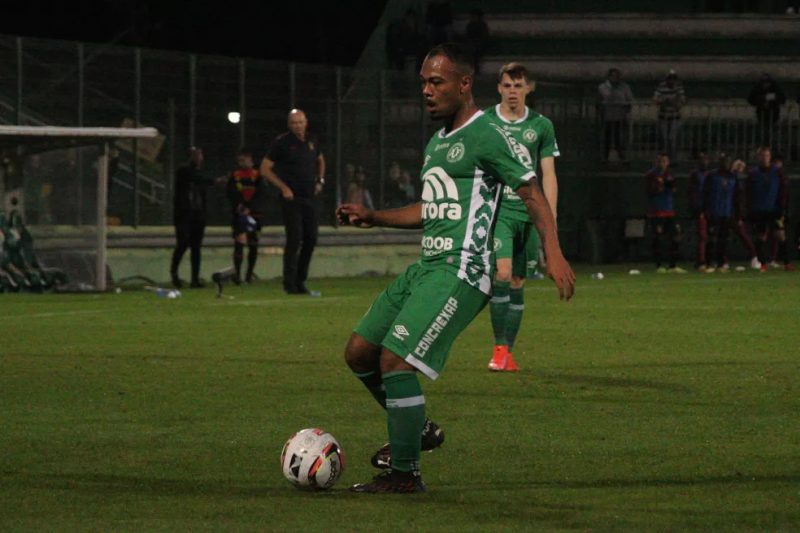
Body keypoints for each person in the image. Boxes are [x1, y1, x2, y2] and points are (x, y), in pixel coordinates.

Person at [336, 43, 575, 494]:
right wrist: (375, 216)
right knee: (359, 352)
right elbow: (430, 208)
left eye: (436, 82)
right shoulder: (438, 140)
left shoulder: (487, 134)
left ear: (464, 84)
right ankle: (418, 427)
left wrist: (553, 251)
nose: (426, 90)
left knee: (396, 360)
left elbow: (531, 193)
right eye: (423, 82)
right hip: (428, 265)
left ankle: (405, 474)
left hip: (464, 269)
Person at [483, 62, 560, 372]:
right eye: (507, 85)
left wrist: (549, 220)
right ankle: (499, 348)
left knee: (517, 280)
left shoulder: (541, 126)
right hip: (499, 211)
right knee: (501, 273)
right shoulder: (486, 122)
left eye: (518, 86)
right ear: (499, 88)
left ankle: (506, 353)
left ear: (529, 88)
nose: (512, 91)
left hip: (529, 213)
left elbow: (549, 174)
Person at [260, 109, 326, 295]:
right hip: (292, 199)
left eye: (300, 122)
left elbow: (321, 160)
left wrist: (319, 180)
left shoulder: (312, 140)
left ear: (306, 122)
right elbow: (265, 169)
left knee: (311, 239)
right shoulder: (282, 143)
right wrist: (283, 188)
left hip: (309, 197)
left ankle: (301, 280)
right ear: (289, 124)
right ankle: (289, 284)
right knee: (294, 239)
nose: (298, 125)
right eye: (294, 123)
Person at [170, 147, 214, 288]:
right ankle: (174, 274)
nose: (199, 158)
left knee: (196, 247)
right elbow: (196, 177)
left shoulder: (198, 174)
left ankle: (194, 279)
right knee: (182, 244)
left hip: (197, 214)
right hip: (184, 215)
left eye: (199, 155)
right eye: (196, 155)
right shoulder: (184, 171)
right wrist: (214, 181)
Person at [746, 146, 793, 271]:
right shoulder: (753, 173)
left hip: (774, 210)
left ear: (770, 157)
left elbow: (783, 190)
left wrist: (782, 207)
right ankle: (763, 264)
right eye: (762, 156)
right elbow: (748, 192)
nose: (764, 158)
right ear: (758, 157)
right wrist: (749, 209)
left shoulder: (777, 172)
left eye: (766, 155)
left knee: (780, 235)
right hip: (759, 210)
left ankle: (787, 263)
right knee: (760, 237)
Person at [226, 149, 267, 284]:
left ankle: (249, 274)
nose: (241, 163)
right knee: (239, 243)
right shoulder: (235, 175)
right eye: (239, 160)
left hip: (255, 214)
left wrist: (250, 207)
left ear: (251, 160)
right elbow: (230, 192)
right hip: (239, 214)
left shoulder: (257, 175)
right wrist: (239, 205)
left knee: (253, 244)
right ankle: (237, 274)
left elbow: (261, 193)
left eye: (244, 160)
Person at [703, 154, 745, 273]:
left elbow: (737, 197)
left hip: (727, 213)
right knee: (711, 239)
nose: (726, 164)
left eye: (728, 162)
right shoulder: (712, 176)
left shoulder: (733, 177)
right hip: (713, 212)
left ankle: (721, 263)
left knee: (723, 240)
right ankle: (708, 263)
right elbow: (705, 194)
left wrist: (738, 214)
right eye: (724, 161)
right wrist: (705, 210)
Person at [646, 153, 686, 273]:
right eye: (659, 161)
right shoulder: (651, 175)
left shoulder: (670, 174)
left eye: (664, 161)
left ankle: (672, 266)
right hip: (656, 212)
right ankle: (658, 266)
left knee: (676, 236)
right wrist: (658, 187)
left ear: (667, 162)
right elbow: (649, 191)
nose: (661, 163)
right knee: (657, 238)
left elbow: (674, 189)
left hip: (669, 211)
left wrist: (668, 185)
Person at [598, 68, 633, 164]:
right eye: (612, 76)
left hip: (620, 117)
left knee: (620, 139)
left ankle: (622, 157)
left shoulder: (624, 87)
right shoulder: (603, 87)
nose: (615, 78)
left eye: (616, 76)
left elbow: (629, 99)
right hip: (607, 117)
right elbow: (603, 99)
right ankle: (604, 157)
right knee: (607, 138)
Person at [653, 70, 685, 162]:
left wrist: (674, 102)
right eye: (669, 78)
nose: (671, 81)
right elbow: (655, 99)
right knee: (664, 139)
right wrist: (664, 101)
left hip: (675, 117)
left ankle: (673, 158)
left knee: (672, 138)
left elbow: (682, 101)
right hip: (663, 117)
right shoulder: (661, 87)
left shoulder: (679, 88)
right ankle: (664, 160)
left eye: (673, 79)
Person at [748, 74, 786, 147]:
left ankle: (771, 146)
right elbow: (751, 99)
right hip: (761, 114)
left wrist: (769, 98)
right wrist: (762, 99)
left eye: (767, 83)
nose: (766, 85)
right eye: (764, 83)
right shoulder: (757, 88)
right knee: (763, 132)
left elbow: (782, 98)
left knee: (772, 132)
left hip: (773, 114)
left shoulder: (775, 88)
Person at [687, 151, 709, 270]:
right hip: (700, 208)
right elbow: (692, 193)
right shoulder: (695, 175)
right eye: (701, 160)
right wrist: (698, 209)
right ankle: (701, 261)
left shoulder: (709, 174)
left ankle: (708, 260)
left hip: (710, 208)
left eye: (705, 159)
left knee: (709, 235)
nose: (704, 162)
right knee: (702, 235)